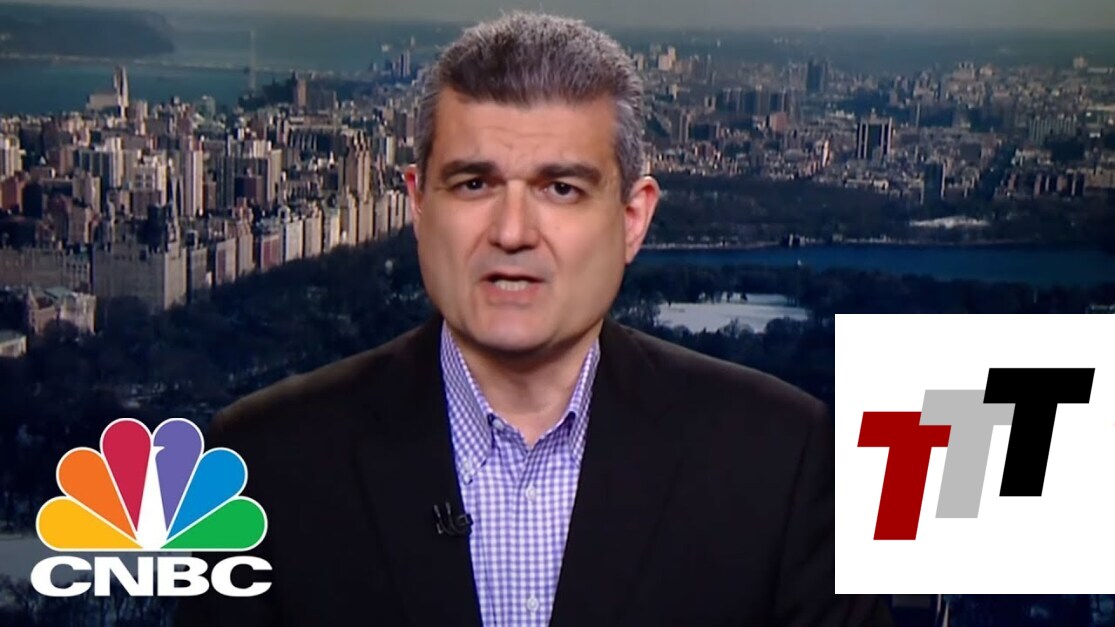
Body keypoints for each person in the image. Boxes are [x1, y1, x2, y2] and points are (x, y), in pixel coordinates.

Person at [177, 12, 891, 627]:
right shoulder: (259, 464)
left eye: (560, 188)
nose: (512, 231)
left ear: (632, 218)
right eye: (474, 183)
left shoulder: (782, 460)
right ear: (418, 205)